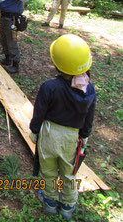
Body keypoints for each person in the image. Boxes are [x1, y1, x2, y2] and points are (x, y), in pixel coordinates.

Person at [29, 34, 96, 221]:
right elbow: (88, 118)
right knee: (69, 172)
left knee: (48, 170)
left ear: (56, 63)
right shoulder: (89, 90)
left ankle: (50, 201)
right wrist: (85, 136)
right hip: (72, 137)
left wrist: (34, 130)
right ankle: (67, 205)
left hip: (49, 134)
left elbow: (39, 113)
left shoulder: (49, 87)